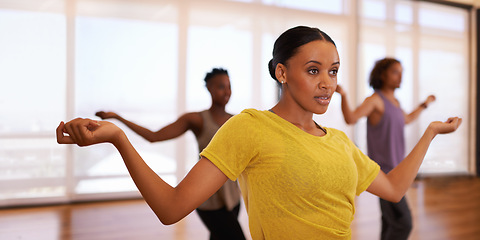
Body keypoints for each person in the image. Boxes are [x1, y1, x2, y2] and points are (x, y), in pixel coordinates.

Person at [56, 26, 462, 240]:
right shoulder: (249, 127)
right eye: (314, 70)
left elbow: (392, 189)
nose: (327, 83)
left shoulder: (340, 141)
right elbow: (171, 208)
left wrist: (427, 132)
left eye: (334, 71)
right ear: (282, 73)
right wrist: (119, 137)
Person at [94, 68, 245, 240]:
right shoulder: (196, 119)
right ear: (210, 89)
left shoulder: (236, 120)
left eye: (229, 86)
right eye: (221, 86)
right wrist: (118, 118)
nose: (227, 91)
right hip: (208, 199)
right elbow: (154, 136)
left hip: (232, 199)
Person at [335, 58, 436, 240]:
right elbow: (351, 118)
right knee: (403, 223)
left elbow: (407, 119)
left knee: (390, 221)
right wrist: (343, 95)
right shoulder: (375, 100)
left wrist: (424, 104)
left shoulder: (395, 102)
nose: (400, 76)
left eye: (401, 72)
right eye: (395, 72)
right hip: (384, 173)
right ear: (383, 74)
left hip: (397, 169)